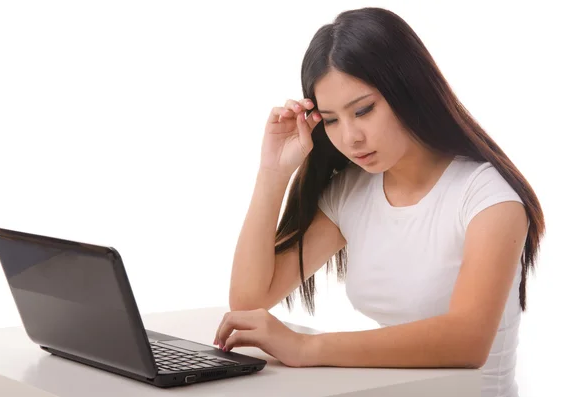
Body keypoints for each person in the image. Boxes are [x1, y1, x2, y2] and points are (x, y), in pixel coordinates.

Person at [213, 7, 544, 397]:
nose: (350, 137)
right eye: (332, 120)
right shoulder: (352, 191)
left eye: (364, 110)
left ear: (408, 90)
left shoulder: (487, 196)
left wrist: (305, 347)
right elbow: (251, 301)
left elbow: (467, 341)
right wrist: (273, 172)